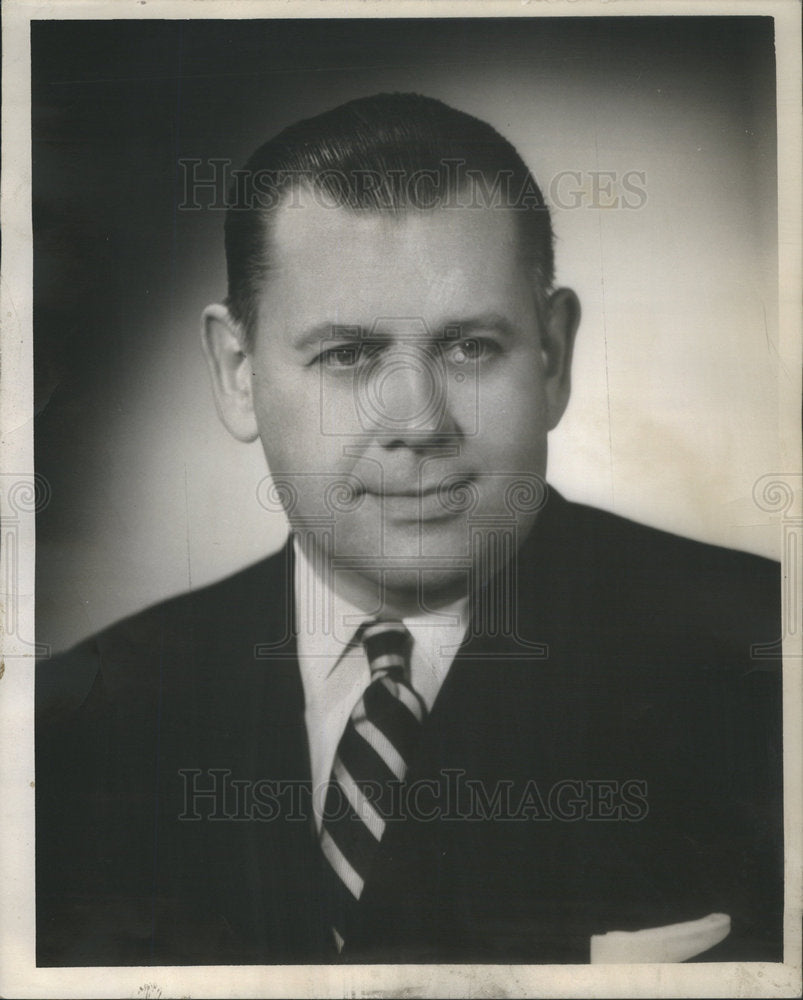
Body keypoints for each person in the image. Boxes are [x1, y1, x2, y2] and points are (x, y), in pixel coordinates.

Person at [36, 93, 783, 966]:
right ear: (236, 373)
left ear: (553, 356)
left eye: (469, 347)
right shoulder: (78, 729)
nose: (418, 421)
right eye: (347, 355)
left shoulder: (766, 664)